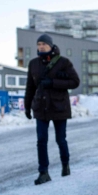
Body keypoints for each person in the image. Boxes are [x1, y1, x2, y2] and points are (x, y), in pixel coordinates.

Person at [25, 34, 81, 185]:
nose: (41, 46)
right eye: (39, 44)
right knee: (41, 140)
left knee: (60, 139)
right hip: (40, 107)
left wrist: (54, 82)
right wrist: (27, 106)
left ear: (50, 46)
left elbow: (75, 82)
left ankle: (65, 165)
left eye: (44, 44)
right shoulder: (33, 64)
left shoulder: (63, 62)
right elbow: (30, 87)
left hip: (59, 107)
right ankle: (43, 172)